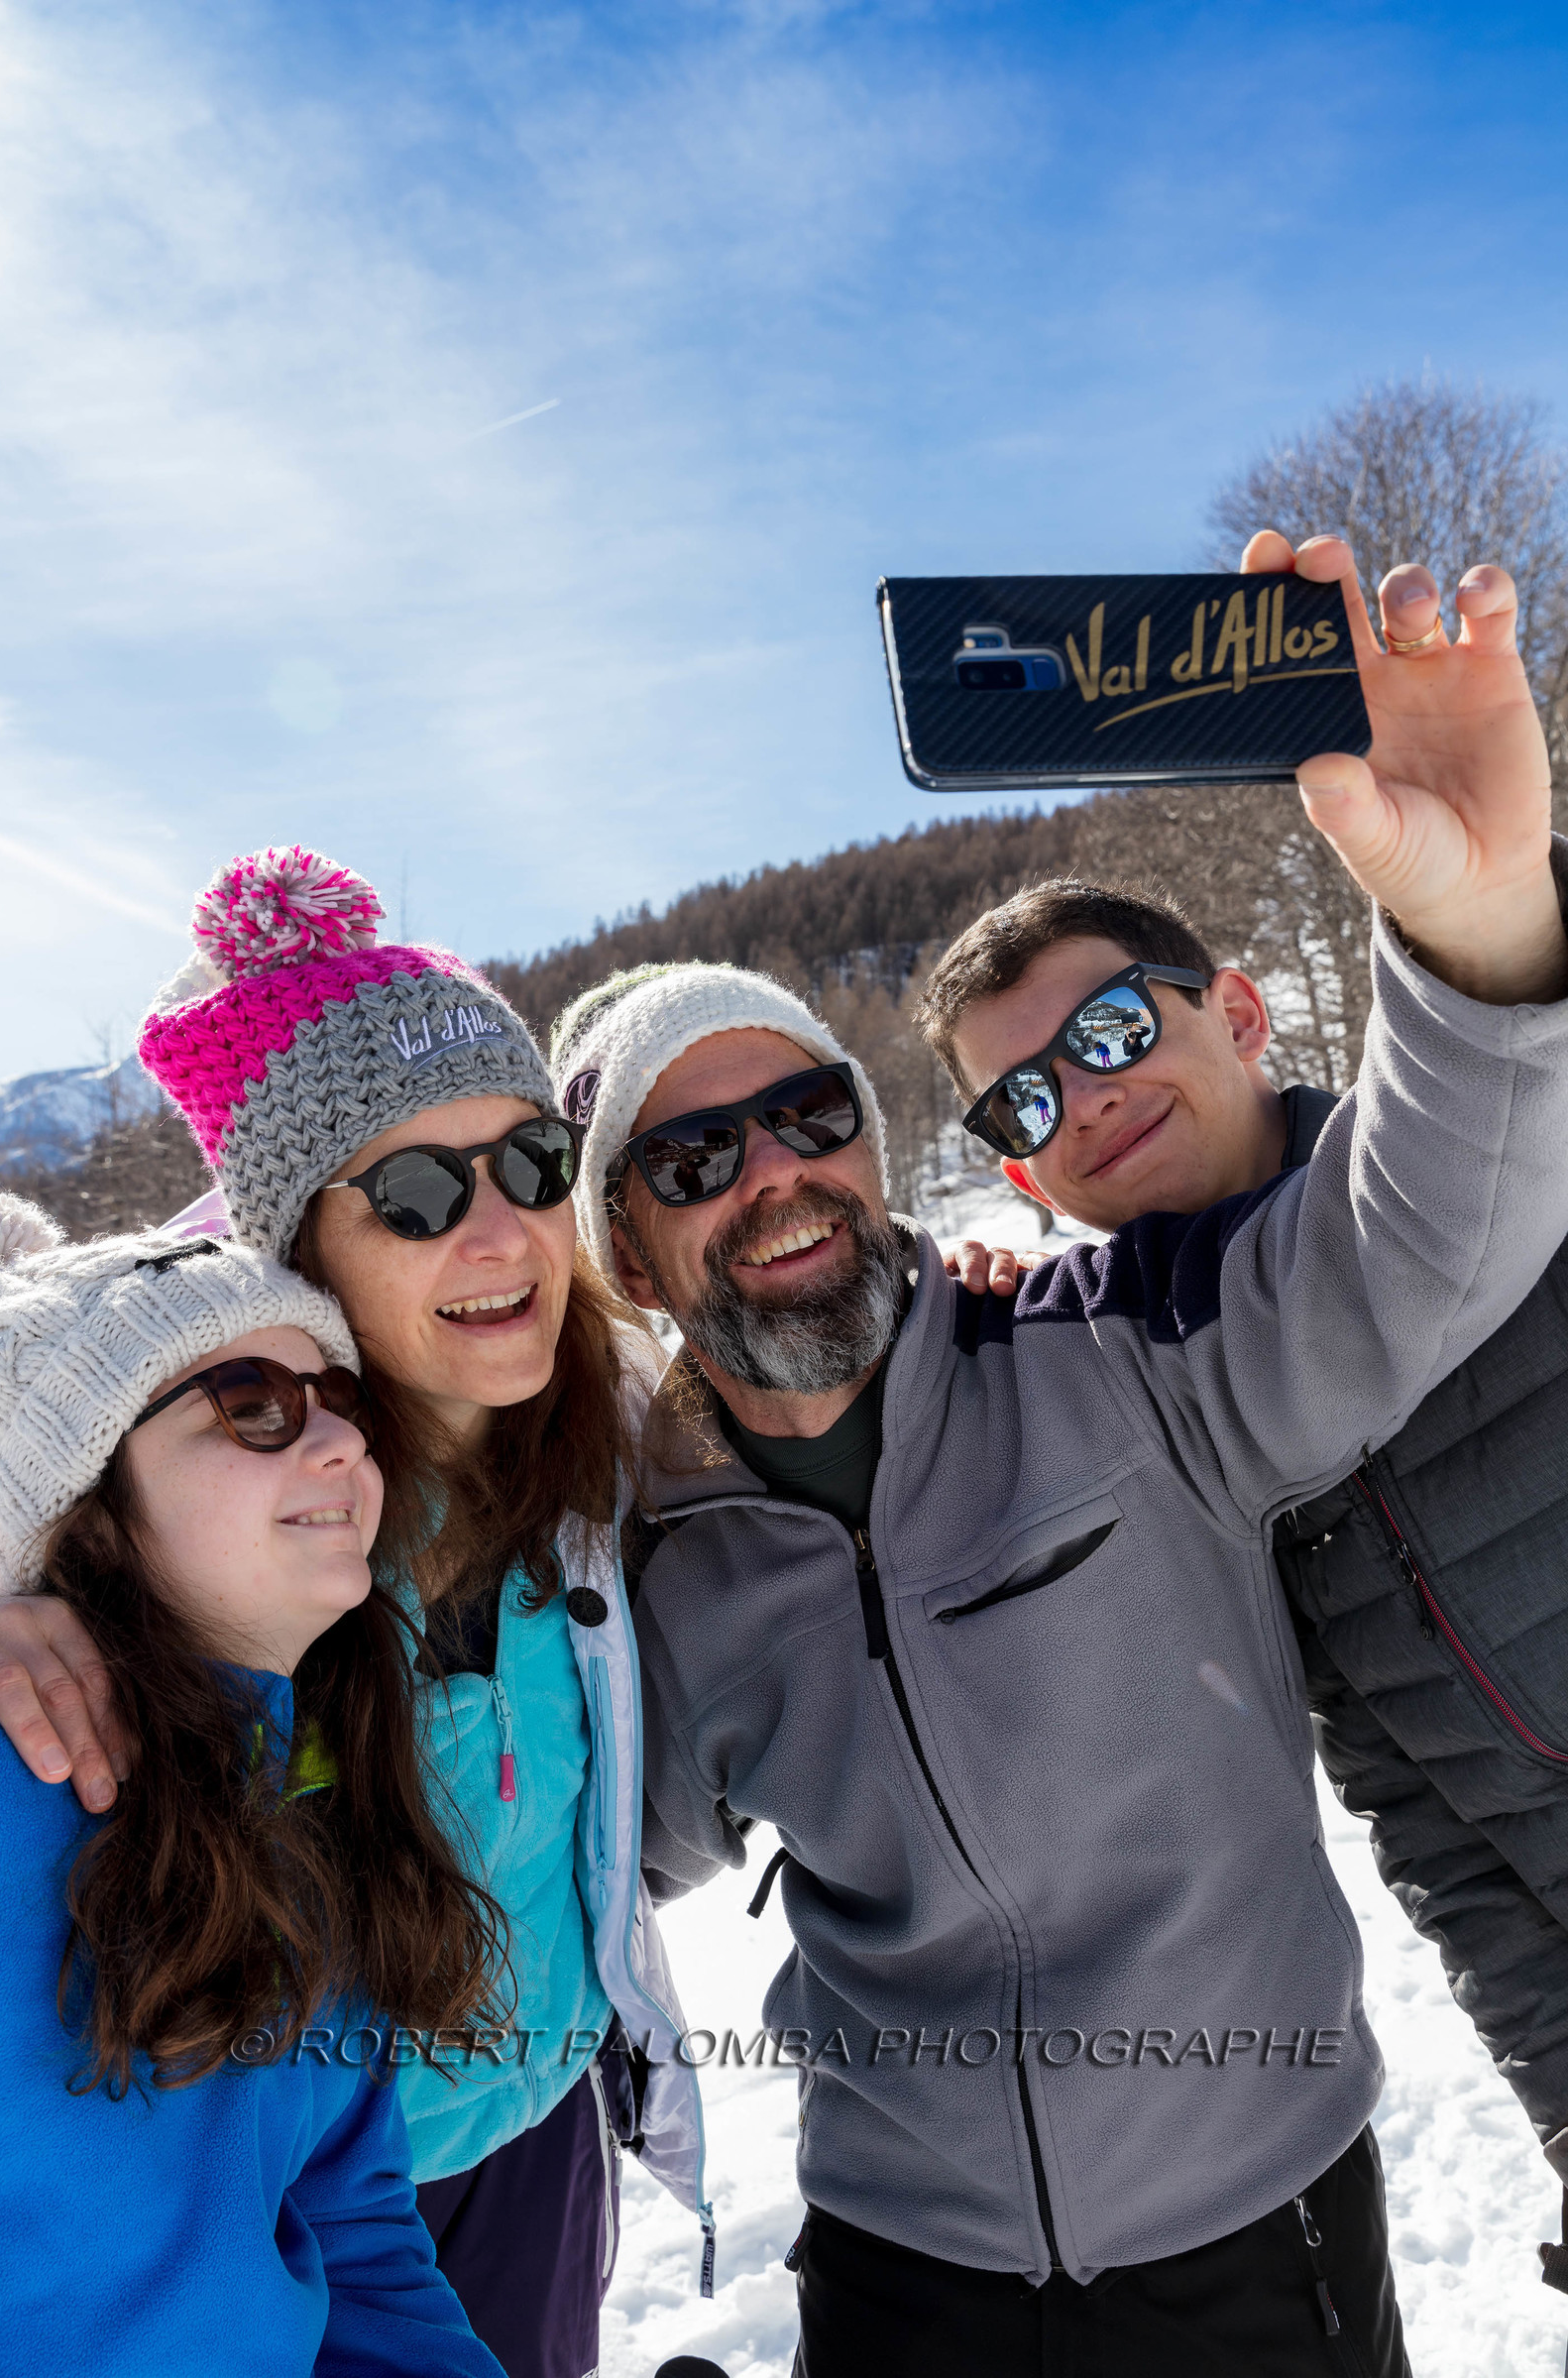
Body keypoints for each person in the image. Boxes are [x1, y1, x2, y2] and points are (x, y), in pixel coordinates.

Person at [540, 530, 1568, 2376]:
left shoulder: (1120, 1348)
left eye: (804, 1116)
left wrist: (1477, 925)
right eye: (695, 1160)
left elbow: (1418, 1231)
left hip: (1255, 2230)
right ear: (629, 1252)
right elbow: (563, 1837)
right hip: (900, 2261)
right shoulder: (652, 1559)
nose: (770, 1173)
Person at [0, 850, 712, 2378]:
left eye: (529, 1163)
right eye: (417, 1193)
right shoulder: (228, 1509)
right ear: (298, 1243)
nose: (502, 1230)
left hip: (525, 2131)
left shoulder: (605, 1433)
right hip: (248, 2180)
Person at [920, 832, 1568, 2280]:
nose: (1085, 1098)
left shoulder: (1526, 1160)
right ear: (1022, 1169)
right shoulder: (1143, 1392)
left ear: (1242, 1010)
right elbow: (1425, 1809)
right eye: (1028, 1096)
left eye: (1110, 1030)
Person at [0, 1188, 504, 2377]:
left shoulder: (321, 1800)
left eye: (342, 1402)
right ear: (89, 1514)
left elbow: (349, 2224)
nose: (340, 1443)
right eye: (250, 1409)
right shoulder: (5, 1772)